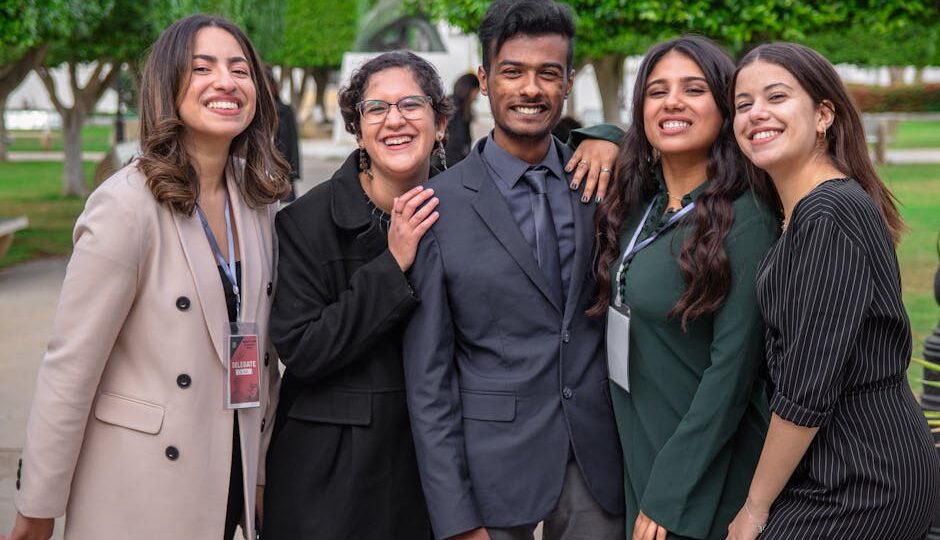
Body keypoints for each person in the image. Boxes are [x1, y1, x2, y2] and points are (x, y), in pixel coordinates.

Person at [262, 49, 619, 540]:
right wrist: (392, 266)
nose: (395, 120)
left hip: (437, 466)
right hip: (337, 472)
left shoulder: (472, 204)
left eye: (411, 104)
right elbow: (303, 349)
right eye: (376, 108)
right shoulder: (306, 222)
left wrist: (606, 137)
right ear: (358, 128)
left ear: (441, 123)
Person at [2, 14, 288, 540]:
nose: (226, 82)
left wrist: (261, 470)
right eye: (202, 68)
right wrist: (37, 507)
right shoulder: (125, 206)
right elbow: (70, 367)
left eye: (240, 69)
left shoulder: (259, 202)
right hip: (140, 486)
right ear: (166, 84)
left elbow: (259, 356)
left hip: (229, 475)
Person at [403, 2, 626, 539]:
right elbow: (429, 380)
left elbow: (682, 148)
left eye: (548, 73)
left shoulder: (600, 180)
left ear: (568, 82)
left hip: (595, 462)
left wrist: (613, 136)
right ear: (484, 80)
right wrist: (455, 519)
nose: (531, 89)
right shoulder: (437, 206)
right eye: (512, 72)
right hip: (492, 472)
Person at [726, 42, 940, 540]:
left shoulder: (831, 213)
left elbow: (808, 385)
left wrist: (755, 508)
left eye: (776, 97)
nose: (756, 113)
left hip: (865, 477)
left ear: (824, 114)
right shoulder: (803, 212)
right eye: (743, 104)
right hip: (838, 465)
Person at [591, 36, 778, 540]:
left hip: (702, 473)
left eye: (693, 90)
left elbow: (731, 375)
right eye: (657, 92)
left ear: (724, 107)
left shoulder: (747, 218)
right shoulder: (638, 204)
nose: (672, 102)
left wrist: (671, 491)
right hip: (641, 444)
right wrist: (599, 135)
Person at [265, 66, 301, 201]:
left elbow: (293, 144)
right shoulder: (250, 112)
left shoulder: (285, 111)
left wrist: (293, 174)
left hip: (281, 172)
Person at [445, 72, 481, 166]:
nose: (476, 98)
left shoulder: (462, 107)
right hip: (449, 164)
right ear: (469, 90)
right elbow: (455, 141)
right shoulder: (453, 106)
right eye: (476, 93)